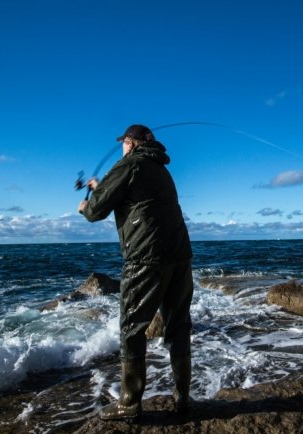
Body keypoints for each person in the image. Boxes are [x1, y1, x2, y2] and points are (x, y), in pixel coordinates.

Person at [78, 124, 193, 422]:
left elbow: (96, 212)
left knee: (132, 329)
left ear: (130, 143)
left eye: (124, 143)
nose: (122, 148)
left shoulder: (129, 164)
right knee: (178, 326)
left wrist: (85, 205)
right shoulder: (161, 169)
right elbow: (132, 195)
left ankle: (129, 403)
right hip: (180, 256)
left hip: (145, 258)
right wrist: (99, 187)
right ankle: (183, 398)